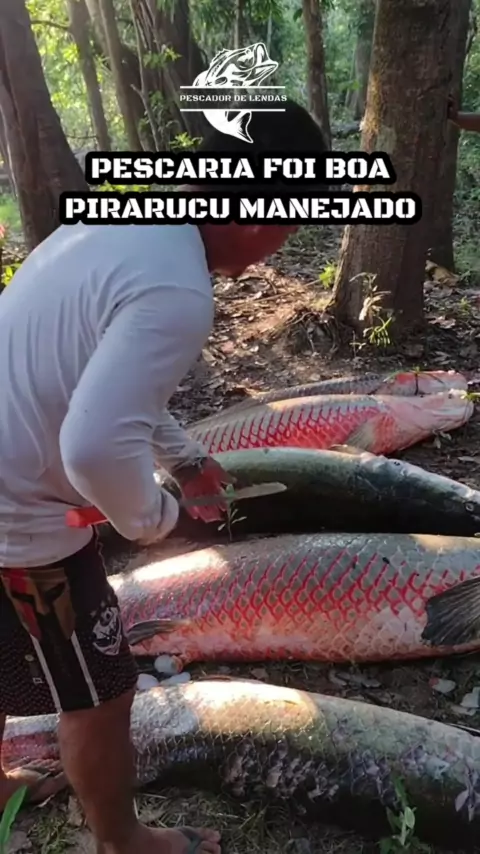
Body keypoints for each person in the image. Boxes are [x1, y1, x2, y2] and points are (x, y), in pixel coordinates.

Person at [0, 98, 328, 854]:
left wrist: (184, 458)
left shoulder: (127, 224)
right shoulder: (179, 289)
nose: (279, 247)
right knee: (99, 693)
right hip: (21, 517)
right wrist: (158, 520)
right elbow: (93, 447)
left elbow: (100, 383)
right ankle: (123, 841)